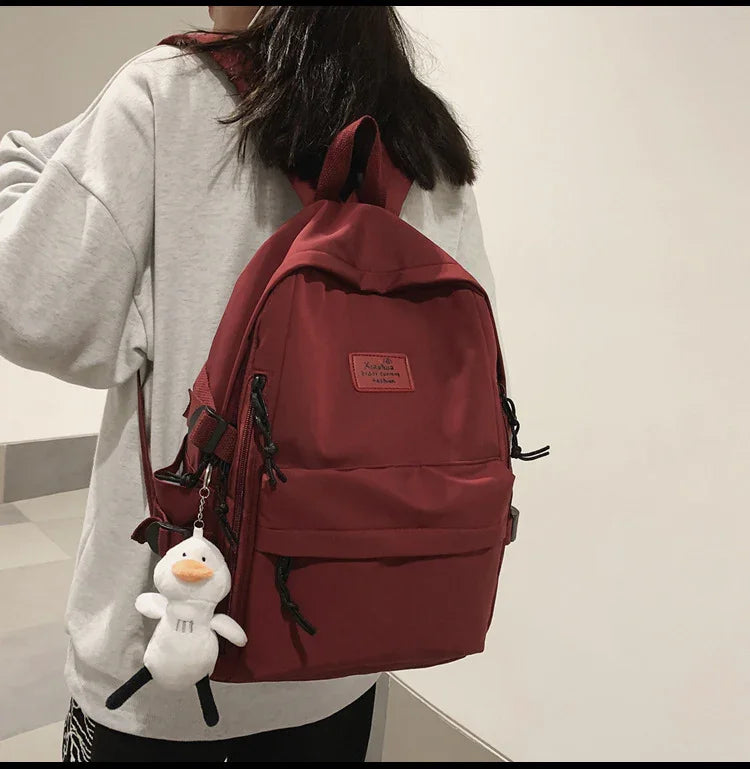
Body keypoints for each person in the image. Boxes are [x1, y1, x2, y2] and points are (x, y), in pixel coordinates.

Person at [0, 5, 495, 763]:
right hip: (344, 646)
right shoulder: (425, 134)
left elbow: (34, 308)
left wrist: (19, 171)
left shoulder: (166, 92)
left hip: (163, 655)